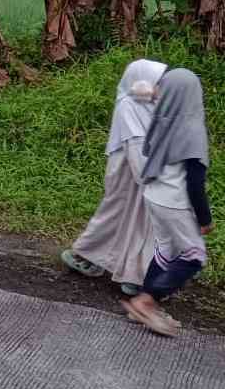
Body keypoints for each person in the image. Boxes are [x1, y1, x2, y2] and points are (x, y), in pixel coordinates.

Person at [61, 59, 167, 295]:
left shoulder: (155, 104)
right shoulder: (128, 105)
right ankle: (90, 256)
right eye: (158, 81)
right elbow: (135, 143)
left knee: (145, 221)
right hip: (129, 171)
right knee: (117, 214)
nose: (162, 85)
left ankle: (136, 274)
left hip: (148, 169)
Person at [122, 69, 213, 338]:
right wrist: (205, 219)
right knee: (194, 257)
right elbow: (194, 183)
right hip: (174, 201)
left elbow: (141, 91)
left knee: (166, 250)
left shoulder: (164, 118)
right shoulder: (192, 130)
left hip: (154, 195)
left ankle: (140, 306)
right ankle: (146, 302)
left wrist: (153, 91)